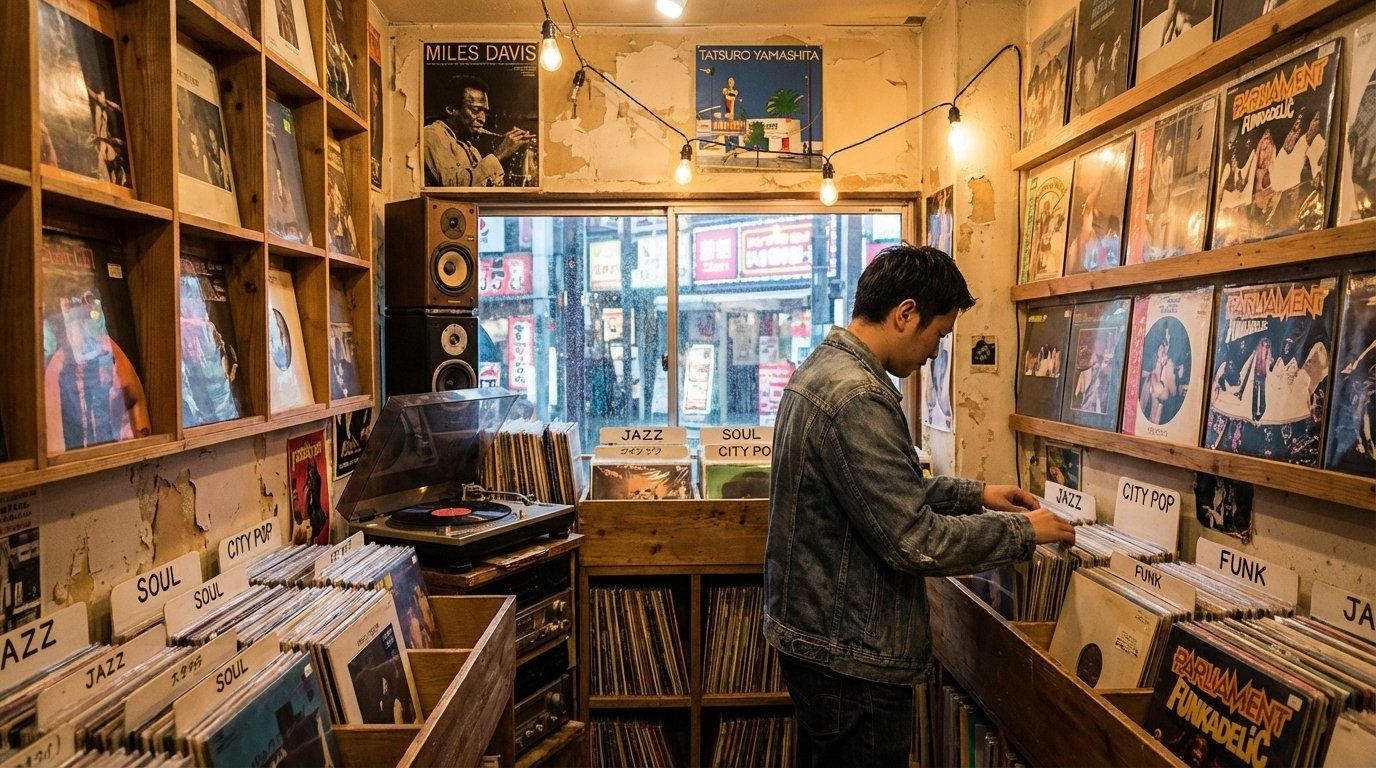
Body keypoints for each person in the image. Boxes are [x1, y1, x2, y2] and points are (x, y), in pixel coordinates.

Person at [763, 245, 1076, 768]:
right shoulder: (858, 396)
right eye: (939, 334)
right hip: (851, 658)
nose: (936, 352)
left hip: (826, 644)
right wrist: (1025, 534)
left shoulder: (823, 368)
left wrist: (975, 495)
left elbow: (876, 493)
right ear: (905, 314)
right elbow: (915, 539)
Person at [423, 75, 534, 187]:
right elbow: (453, 187)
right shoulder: (431, 134)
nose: (483, 119)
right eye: (476, 110)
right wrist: (499, 154)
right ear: (450, 109)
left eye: (485, 112)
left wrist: (509, 157)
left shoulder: (472, 150)